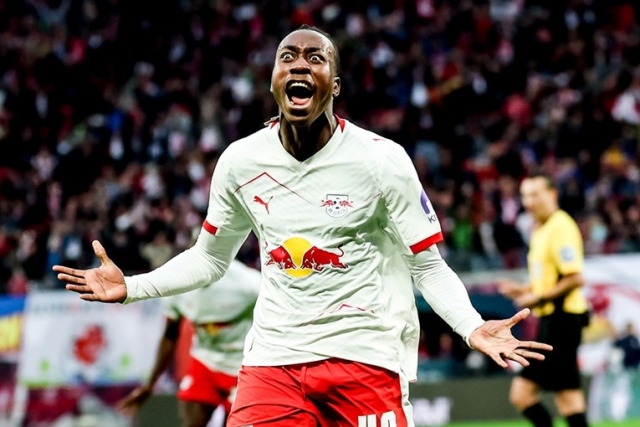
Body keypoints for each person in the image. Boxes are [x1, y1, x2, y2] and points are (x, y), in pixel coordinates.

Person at [55, 25, 552, 427]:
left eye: (316, 58)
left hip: (364, 355)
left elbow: (427, 266)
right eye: (288, 57)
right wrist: (133, 287)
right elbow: (209, 258)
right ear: (274, 80)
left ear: (334, 85)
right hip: (274, 360)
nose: (300, 64)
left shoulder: (381, 161)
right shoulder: (241, 162)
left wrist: (471, 326)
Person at [116, 258, 260, 427]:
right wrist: (150, 384)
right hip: (204, 362)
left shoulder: (249, 283)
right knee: (191, 422)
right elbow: (170, 335)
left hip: (242, 365)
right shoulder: (177, 286)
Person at [499, 173, 590, 427]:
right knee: (566, 397)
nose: (528, 202)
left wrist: (537, 298)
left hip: (563, 321)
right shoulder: (540, 230)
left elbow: (574, 278)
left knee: (528, 394)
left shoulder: (561, 226)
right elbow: (548, 279)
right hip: (552, 322)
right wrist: (522, 290)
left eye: (534, 195)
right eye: (524, 196)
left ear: (552, 195)